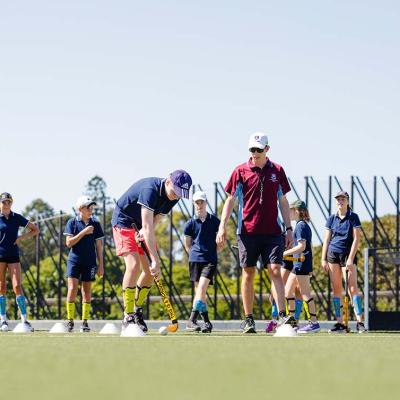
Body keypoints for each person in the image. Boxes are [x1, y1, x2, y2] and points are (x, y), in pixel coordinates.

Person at [216, 133, 294, 333]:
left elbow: (283, 202)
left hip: (273, 232)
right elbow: (231, 200)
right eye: (252, 149)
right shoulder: (240, 171)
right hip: (247, 232)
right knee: (248, 273)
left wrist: (289, 229)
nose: (255, 153)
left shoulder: (277, 170)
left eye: (259, 149)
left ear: (267, 149)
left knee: (275, 270)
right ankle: (249, 319)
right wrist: (222, 226)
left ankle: (282, 315)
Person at [111, 170, 192, 332]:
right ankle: (127, 315)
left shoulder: (173, 198)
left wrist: (142, 232)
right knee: (133, 266)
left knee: (149, 272)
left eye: (181, 194)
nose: (177, 196)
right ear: (168, 181)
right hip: (124, 221)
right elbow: (148, 226)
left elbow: (153, 222)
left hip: (142, 224)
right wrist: (155, 259)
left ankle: (137, 310)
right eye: (176, 192)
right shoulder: (151, 190)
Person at [321, 191, 366, 333]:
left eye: (343, 199)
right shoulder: (331, 219)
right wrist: (323, 258)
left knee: (353, 288)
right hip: (332, 254)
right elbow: (327, 240)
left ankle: (360, 322)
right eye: (338, 199)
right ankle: (340, 322)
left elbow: (357, 239)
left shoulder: (353, 217)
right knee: (336, 290)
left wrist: (351, 259)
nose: (340, 201)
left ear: (347, 201)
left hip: (348, 255)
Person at [64, 196, 104, 332]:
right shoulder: (72, 222)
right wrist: (84, 232)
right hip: (74, 260)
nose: (91, 210)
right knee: (72, 288)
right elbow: (68, 243)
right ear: (80, 209)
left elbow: (99, 246)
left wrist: (101, 265)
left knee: (87, 291)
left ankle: (85, 322)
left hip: (90, 262)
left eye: (92, 207)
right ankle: (70, 321)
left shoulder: (96, 224)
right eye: (88, 207)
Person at [0, 192, 39, 332]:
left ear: (12, 203)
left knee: (17, 286)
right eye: (4, 202)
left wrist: (20, 238)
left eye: (8, 202)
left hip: (13, 255)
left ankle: (24, 320)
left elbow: (35, 230)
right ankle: (3, 320)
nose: (6, 204)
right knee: (1, 287)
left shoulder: (16, 217)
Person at [184, 191, 220, 333]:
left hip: (210, 260)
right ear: (193, 204)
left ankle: (191, 320)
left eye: (201, 202)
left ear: (206, 203)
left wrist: (212, 253)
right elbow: (187, 245)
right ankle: (207, 322)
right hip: (194, 260)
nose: (199, 205)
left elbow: (221, 242)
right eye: (196, 202)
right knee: (200, 293)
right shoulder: (189, 224)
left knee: (201, 289)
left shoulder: (215, 221)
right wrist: (194, 254)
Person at [283, 200, 320, 333]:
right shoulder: (300, 225)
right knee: (287, 291)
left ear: (297, 211)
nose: (289, 212)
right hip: (297, 264)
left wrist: (284, 253)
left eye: (291, 210)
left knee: (304, 293)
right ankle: (292, 321)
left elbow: (302, 246)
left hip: (302, 264)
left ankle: (313, 323)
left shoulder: (301, 226)